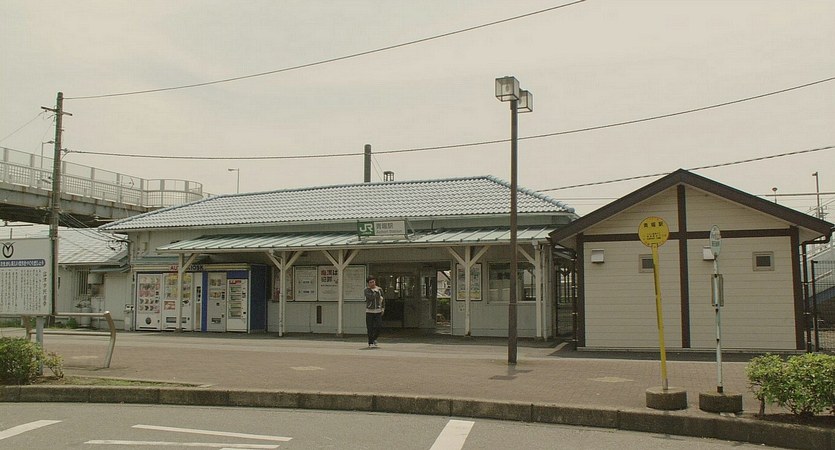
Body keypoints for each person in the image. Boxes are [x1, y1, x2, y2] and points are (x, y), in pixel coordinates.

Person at [364, 275, 385, 348]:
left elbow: (383, 299)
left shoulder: (380, 289)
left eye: (373, 282)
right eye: (370, 282)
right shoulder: (366, 290)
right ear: (368, 283)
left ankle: (374, 338)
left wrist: (383, 308)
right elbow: (371, 297)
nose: (372, 284)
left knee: (379, 326)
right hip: (369, 311)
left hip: (378, 311)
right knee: (370, 327)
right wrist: (375, 292)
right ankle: (370, 342)